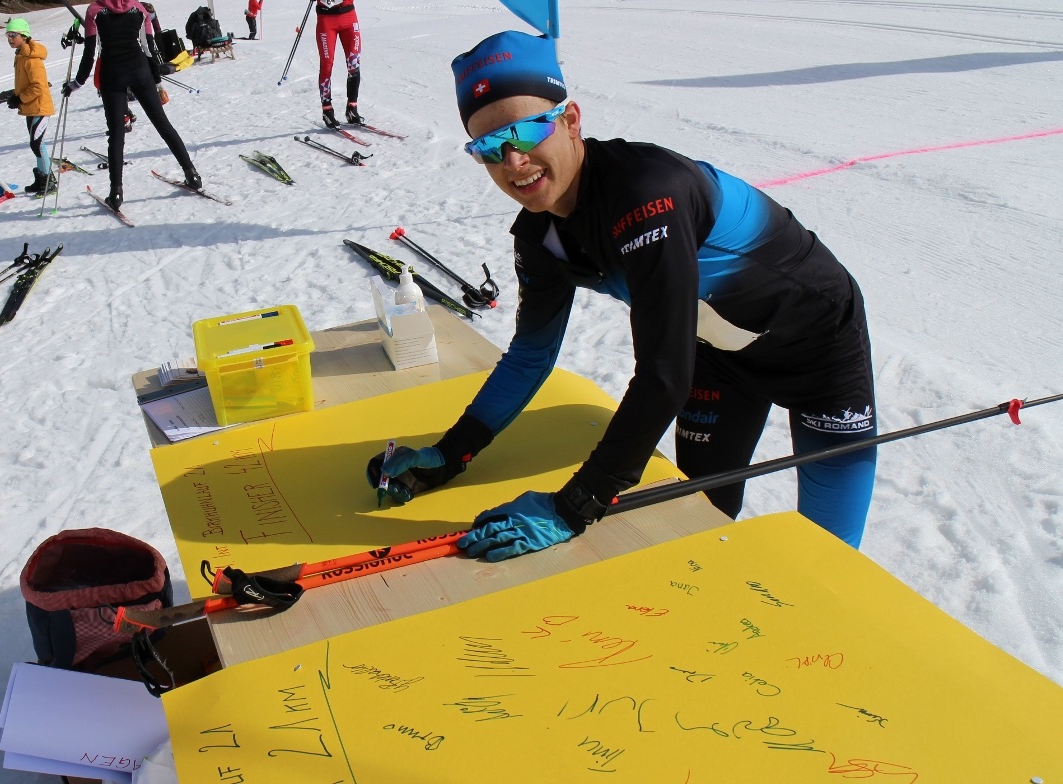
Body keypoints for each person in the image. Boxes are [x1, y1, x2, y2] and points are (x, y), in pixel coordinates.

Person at [368, 31, 879, 562]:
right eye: (489, 148)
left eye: (525, 132)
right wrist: (449, 454)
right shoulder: (539, 237)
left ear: (570, 122)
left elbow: (661, 376)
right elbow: (530, 357)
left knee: (830, 556)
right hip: (712, 353)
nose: (513, 161)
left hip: (820, 349)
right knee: (702, 518)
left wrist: (574, 506)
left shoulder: (646, 192)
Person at [62, 0, 200, 211]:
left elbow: (90, 53)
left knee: (117, 133)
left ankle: (116, 193)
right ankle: (192, 173)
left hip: (112, 75)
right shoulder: (139, 8)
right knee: (162, 123)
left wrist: (76, 84)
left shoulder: (95, 10)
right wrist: (158, 83)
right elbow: (149, 48)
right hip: (140, 71)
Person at [4, 18, 56, 196]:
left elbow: (39, 86)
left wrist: (20, 99)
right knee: (35, 145)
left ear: (24, 36)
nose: (10, 38)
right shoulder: (21, 55)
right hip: (31, 107)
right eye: (8, 35)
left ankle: (49, 181)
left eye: (13, 35)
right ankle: (42, 177)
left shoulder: (32, 59)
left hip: (40, 107)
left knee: (38, 144)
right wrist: (16, 97)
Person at [314, 0, 362, 128]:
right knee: (327, 65)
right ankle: (327, 110)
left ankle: (352, 108)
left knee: (354, 63)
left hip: (349, 17)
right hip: (326, 19)